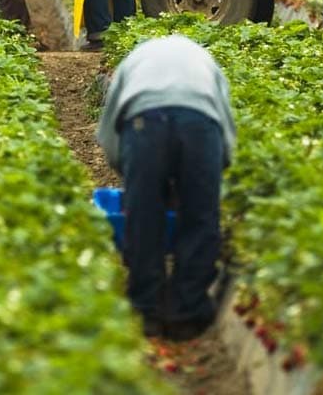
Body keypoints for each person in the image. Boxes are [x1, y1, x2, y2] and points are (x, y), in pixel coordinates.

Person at [97, 35, 236, 341]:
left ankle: (147, 309)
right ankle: (187, 312)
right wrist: (209, 175)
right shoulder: (206, 61)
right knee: (200, 217)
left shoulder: (133, 61)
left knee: (143, 214)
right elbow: (226, 130)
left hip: (144, 121)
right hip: (200, 122)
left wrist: (131, 174)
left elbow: (108, 133)